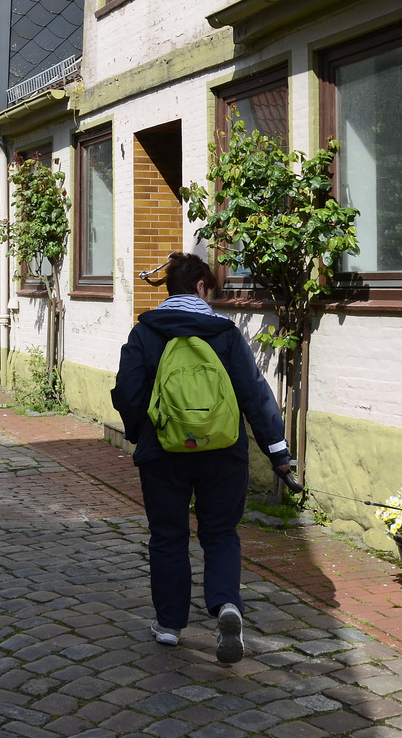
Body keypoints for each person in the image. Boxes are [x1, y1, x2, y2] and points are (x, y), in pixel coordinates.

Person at [110, 252, 297, 664]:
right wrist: (277, 451)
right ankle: (226, 605)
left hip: (163, 452)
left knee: (168, 536)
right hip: (224, 451)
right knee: (221, 532)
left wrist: (142, 433)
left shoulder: (145, 333)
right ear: (199, 287)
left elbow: (127, 391)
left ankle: (170, 626)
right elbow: (254, 393)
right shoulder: (225, 334)